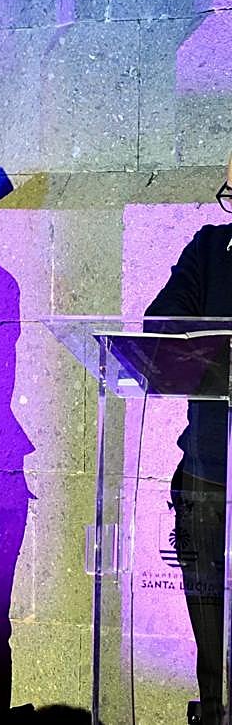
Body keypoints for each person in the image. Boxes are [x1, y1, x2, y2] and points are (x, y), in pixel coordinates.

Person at [144, 150, 232, 725]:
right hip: (208, 469)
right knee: (209, 625)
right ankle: (215, 707)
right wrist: (215, 349)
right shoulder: (210, 248)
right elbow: (160, 324)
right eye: (230, 194)